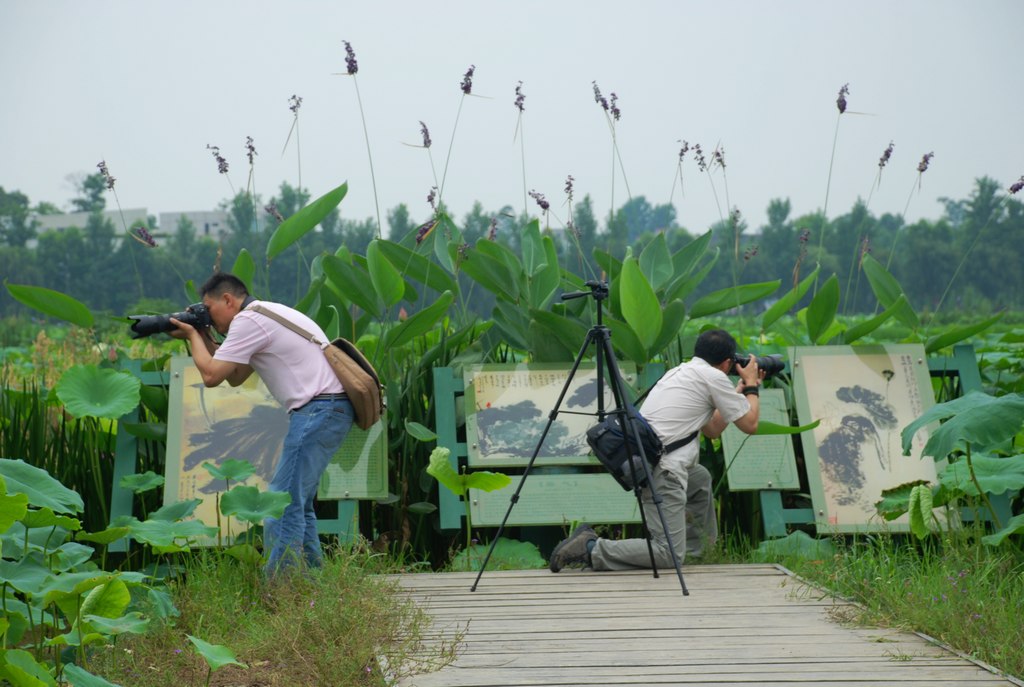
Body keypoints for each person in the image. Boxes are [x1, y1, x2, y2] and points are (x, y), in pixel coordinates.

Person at [170, 272, 354, 577]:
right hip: (329, 408)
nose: (207, 316)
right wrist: (203, 336)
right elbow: (235, 375)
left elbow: (212, 376)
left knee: (279, 505)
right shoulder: (264, 314)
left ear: (228, 299)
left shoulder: (248, 320)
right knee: (296, 502)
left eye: (208, 308)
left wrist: (191, 336)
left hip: (318, 409)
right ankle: (310, 585)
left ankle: (281, 588)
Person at [549, 328, 761, 572]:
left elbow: (712, 429)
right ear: (727, 363)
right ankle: (591, 548)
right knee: (667, 554)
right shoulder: (713, 378)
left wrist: (738, 392)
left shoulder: (682, 372)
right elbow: (750, 425)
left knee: (699, 477)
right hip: (663, 470)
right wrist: (753, 386)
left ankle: (698, 552)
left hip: (650, 459)